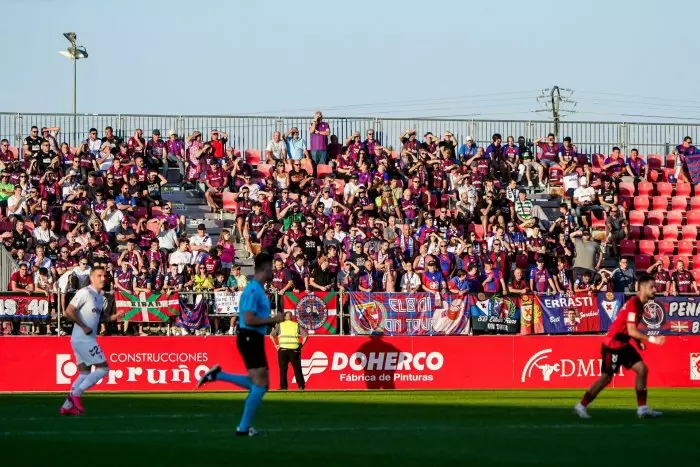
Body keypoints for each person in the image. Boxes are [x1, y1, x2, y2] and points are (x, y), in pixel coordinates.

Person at [196, 253, 285, 436]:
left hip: (252, 338)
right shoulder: (253, 290)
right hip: (249, 336)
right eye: (272, 268)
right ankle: (243, 428)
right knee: (260, 385)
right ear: (264, 268)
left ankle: (218, 375)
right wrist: (274, 319)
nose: (274, 271)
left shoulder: (258, 289)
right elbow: (248, 319)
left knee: (261, 384)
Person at [574, 274, 665, 419]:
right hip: (613, 345)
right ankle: (581, 406)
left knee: (642, 369)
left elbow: (629, 329)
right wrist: (653, 339)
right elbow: (631, 330)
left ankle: (642, 408)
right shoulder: (635, 303)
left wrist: (637, 341)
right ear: (642, 287)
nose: (655, 289)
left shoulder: (640, 304)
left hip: (623, 343)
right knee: (606, 378)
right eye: (652, 287)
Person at [59, 266, 114, 415]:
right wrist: (83, 326)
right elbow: (68, 311)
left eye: (104, 275)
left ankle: (66, 407)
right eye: (99, 275)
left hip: (82, 339)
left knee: (84, 373)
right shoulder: (84, 292)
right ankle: (76, 394)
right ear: (91, 277)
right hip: (84, 338)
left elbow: (98, 319)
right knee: (104, 368)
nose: (103, 278)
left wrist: (113, 318)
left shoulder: (100, 297)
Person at [269, 311, 308, 391]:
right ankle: (301, 386)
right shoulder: (296, 325)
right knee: (297, 369)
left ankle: (283, 387)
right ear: (291, 317)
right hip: (295, 350)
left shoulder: (280, 325)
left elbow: (271, 335)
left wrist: (276, 345)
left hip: (283, 349)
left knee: (283, 369)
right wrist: (301, 345)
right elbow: (305, 336)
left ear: (284, 317)